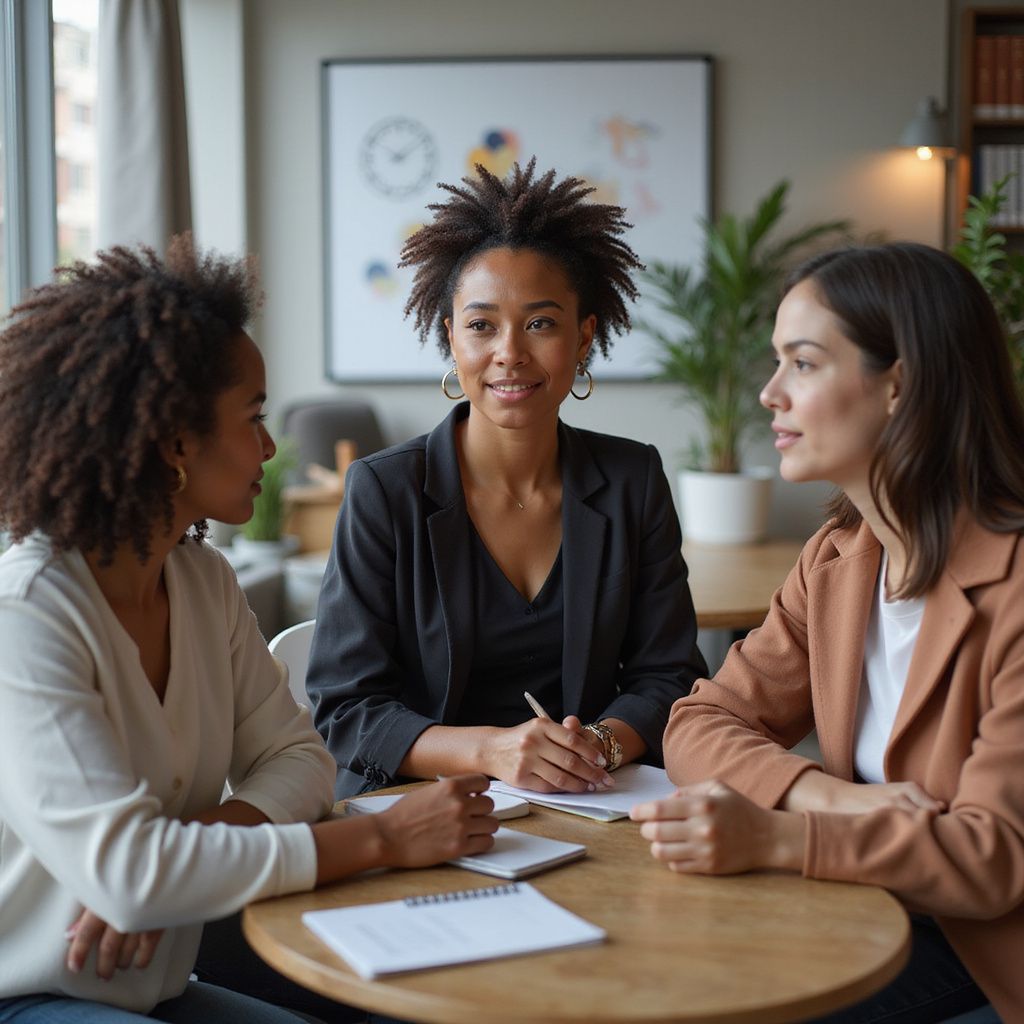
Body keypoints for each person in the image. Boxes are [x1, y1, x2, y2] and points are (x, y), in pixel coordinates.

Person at [0, 236, 497, 1024]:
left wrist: (184, 852)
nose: (270, 447)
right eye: (254, 418)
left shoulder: (202, 581)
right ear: (172, 441)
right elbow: (133, 876)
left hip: (156, 986)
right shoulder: (26, 614)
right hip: (30, 997)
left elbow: (301, 761)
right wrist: (385, 840)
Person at [632, 242, 1024, 1022]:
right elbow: (698, 721)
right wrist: (831, 800)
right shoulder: (840, 558)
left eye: (802, 364)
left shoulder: (1014, 584)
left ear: (899, 386)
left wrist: (780, 838)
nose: (769, 393)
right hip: (860, 907)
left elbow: (993, 860)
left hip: (982, 957)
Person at [308, 160, 706, 799]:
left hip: (590, 799)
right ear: (451, 338)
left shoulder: (633, 478)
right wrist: (493, 751)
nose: (510, 352)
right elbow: (346, 711)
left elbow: (672, 675)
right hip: (421, 809)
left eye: (541, 323)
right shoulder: (385, 490)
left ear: (584, 338)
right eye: (482, 325)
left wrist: (593, 748)